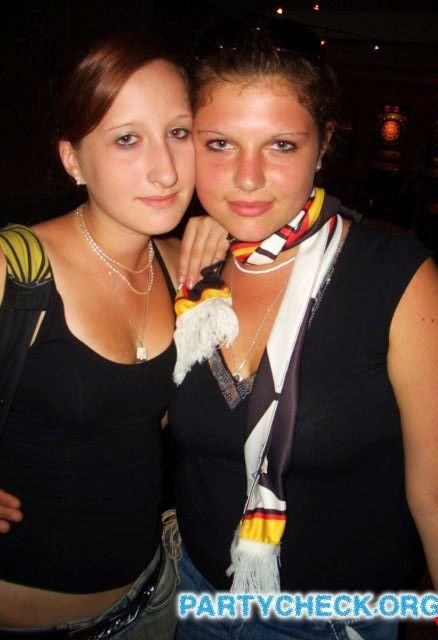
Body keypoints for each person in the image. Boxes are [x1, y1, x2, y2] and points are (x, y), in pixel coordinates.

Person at [166, 17, 438, 640]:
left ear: (324, 144)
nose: (248, 177)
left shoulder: (395, 279)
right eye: (220, 144)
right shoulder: (186, 277)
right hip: (199, 598)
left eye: (281, 145)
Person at [0, 31, 227, 639]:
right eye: (127, 139)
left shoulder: (185, 270)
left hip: (154, 601)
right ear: (73, 159)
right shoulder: (15, 268)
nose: (165, 169)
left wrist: (227, 232)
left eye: (178, 132)